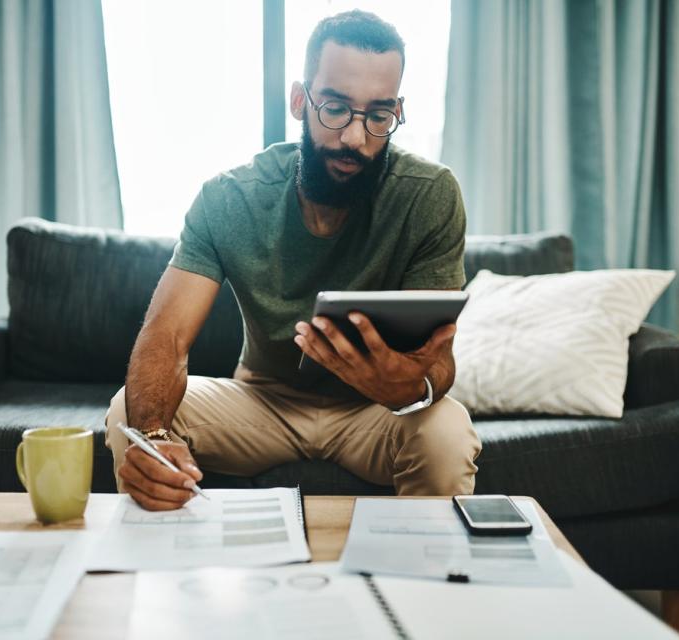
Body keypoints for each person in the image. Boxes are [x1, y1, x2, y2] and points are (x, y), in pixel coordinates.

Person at [105, 10, 481, 511]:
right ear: (300, 101)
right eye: (335, 108)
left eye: (378, 115)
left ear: (397, 111)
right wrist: (151, 435)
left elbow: (437, 362)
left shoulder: (430, 196)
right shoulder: (230, 198)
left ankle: (425, 585)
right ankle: (155, 570)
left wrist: (409, 386)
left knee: (449, 431)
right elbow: (165, 335)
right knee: (123, 414)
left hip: (376, 413)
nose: (355, 138)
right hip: (262, 404)